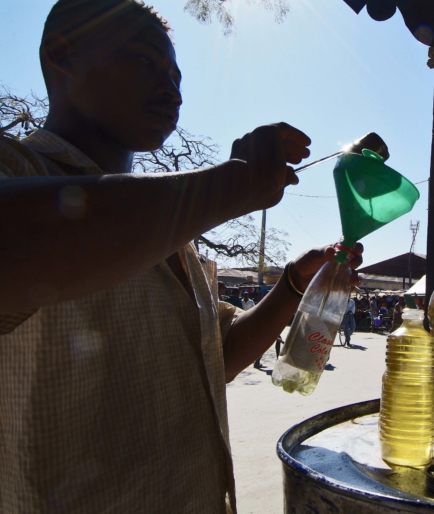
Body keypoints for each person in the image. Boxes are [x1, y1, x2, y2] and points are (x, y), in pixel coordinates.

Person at [0, 1, 364, 511]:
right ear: (62, 56)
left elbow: (219, 354)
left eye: (177, 77)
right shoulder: (17, 170)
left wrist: (293, 283)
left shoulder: (170, 236)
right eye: (146, 62)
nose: (173, 92)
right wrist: (230, 185)